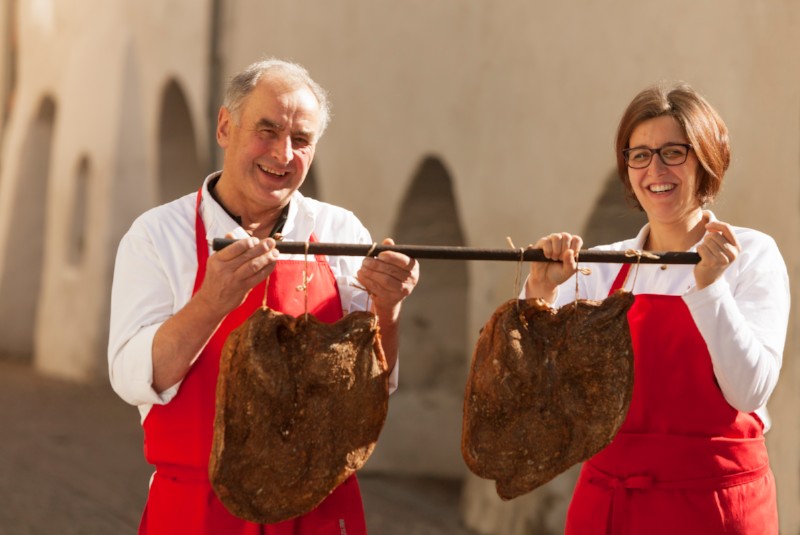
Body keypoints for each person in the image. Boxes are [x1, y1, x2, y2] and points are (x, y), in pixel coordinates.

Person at [108, 58, 419, 534]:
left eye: (301, 140)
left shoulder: (340, 231)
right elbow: (134, 379)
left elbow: (372, 387)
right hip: (200, 510)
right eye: (267, 131)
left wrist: (388, 309)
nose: (283, 154)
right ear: (225, 127)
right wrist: (212, 303)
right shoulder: (157, 236)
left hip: (319, 506)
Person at [524, 83, 789, 534]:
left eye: (673, 152)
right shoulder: (600, 267)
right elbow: (531, 389)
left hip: (717, 503)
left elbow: (750, 392)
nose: (655, 169)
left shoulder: (752, 254)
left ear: (706, 158)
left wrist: (710, 291)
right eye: (640, 154)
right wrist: (539, 296)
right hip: (610, 505)